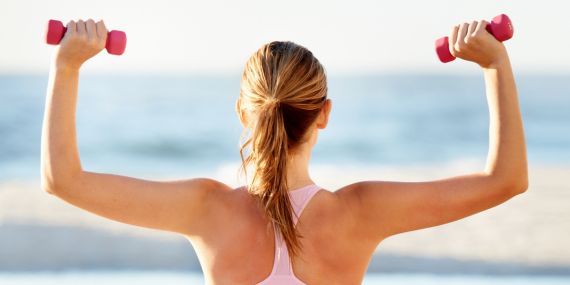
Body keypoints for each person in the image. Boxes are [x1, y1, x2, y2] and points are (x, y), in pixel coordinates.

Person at [41, 19, 528, 284]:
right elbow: (506, 180)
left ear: (241, 111)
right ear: (324, 113)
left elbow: (64, 180)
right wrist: (494, 64)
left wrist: (67, 67)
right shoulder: (360, 213)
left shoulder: (205, 210)